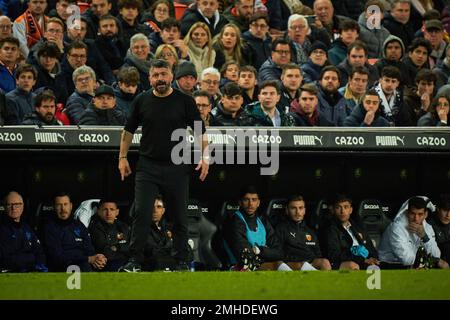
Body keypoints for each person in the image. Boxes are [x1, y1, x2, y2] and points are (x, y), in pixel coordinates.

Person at [118, 59, 209, 272]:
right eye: (155, 75)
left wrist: (205, 157)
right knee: (141, 213)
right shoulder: (141, 100)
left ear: (171, 76)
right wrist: (122, 158)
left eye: (163, 74)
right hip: (147, 165)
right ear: (149, 78)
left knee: (179, 215)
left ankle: (181, 262)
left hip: (177, 166)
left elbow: (200, 132)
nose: (160, 79)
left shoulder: (185, 101)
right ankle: (134, 261)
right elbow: (128, 131)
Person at [223, 185, 291, 271]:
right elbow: (245, 256)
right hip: (241, 268)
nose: (250, 204)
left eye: (254, 200)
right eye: (246, 200)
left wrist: (259, 250)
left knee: (289, 264)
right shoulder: (234, 222)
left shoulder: (263, 221)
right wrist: (267, 252)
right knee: (277, 265)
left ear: (258, 203)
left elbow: (280, 252)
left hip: (261, 265)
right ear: (240, 202)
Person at [43, 192, 107, 271]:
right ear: (54, 207)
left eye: (65, 204)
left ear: (71, 206)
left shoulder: (79, 225)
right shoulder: (50, 228)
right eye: (59, 205)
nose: (63, 209)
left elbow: (89, 249)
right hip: (64, 269)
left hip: (85, 265)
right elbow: (58, 258)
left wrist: (97, 258)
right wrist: (88, 259)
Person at [378, 196, 448, 269]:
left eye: (420, 214)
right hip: (390, 265)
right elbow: (406, 260)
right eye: (412, 213)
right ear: (407, 212)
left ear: (425, 214)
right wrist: (436, 261)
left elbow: (436, 255)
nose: (416, 218)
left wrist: (424, 237)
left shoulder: (427, 227)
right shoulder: (397, 227)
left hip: (414, 265)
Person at [275, 195, 332, 271]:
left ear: (304, 210)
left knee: (324, 262)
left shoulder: (310, 231)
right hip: (292, 263)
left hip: (309, 262)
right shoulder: (281, 228)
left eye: (300, 208)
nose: (298, 212)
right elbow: (278, 253)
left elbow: (318, 255)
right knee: (300, 265)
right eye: (293, 208)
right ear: (287, 210)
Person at [325, 194, 379, 270]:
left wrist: (374, 259)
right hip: (348, 263)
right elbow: (335, 255)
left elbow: (371, 248)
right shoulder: (330, 229)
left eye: (346, 207)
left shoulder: (358, 226)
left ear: (351, 210)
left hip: (365, 262)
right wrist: (363, 260)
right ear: (333, 210)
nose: (342, 211)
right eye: (338, 207)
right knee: (372, 269)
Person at [0, 191, 47, 272]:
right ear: (4, 207)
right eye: (9, 204)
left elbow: (40, 253)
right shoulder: (2, 229)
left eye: (17, 204)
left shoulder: (26, 227)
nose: (13, 208)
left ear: (22, 206)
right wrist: (31, 259)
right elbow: (6, 259)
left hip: (30, 272)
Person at [89, 200, 130, 271]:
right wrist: (122, 247)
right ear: (99, 212)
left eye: (112, 209)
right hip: (108, 265)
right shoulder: (95, 228)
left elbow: (131, 248)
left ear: (117, 212)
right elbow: (106, 252)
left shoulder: (124, 226)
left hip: (126, 262)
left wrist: (116, 247)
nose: (108, 213)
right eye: (105, 209)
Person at [142, 196, 181, 271]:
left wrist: (171, 240)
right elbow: (151, 250)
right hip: (151, 269)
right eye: (152, 207)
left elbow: (186, 252)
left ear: (163, 211)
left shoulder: (171, 227)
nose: (155, 210)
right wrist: (171, 243)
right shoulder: (142, 229)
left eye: (159, 207)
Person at [429, 194, 450, 264]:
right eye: (445, 210)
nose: (448, 215)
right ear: (438, 209)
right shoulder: (428, 224)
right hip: (435, 263)